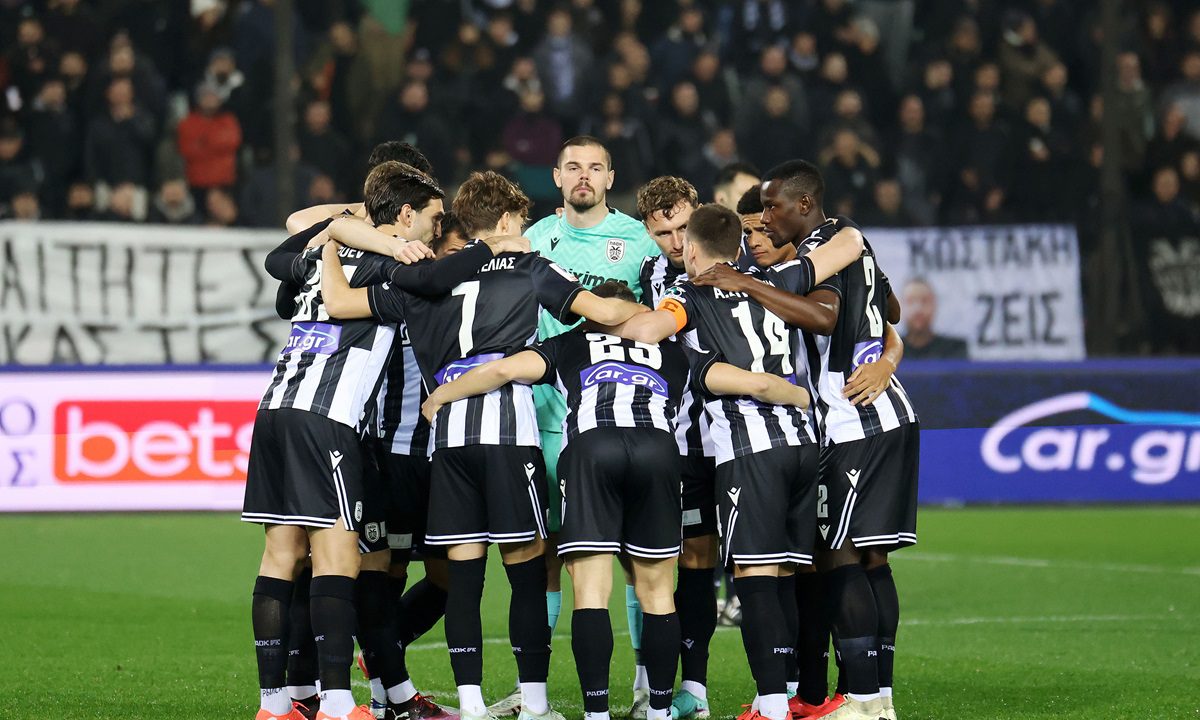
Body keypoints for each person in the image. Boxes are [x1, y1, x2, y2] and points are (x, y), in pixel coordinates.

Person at [319, 170, 648, 720]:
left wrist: (331, 240)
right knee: (526, 571)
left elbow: (339, 302)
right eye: (520, 221)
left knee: (464, 578)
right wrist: (665, 314)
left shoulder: (426, 277)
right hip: (509, 432)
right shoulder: (530, 266)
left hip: (448, 440)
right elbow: (606, 313)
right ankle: (534, 702)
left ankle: (471, 706)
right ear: (507, 220)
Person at [421, 280, 811, 720]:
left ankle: (597, 714)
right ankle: (659, 710)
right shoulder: (674, 351)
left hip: (593, 448)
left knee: (591, 591)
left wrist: (441, 395)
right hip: (657, 453)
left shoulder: (570, 343)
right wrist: (802, 396)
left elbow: (499, 371)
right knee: (658, 592)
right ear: (638, 311)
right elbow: (757, 384)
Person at [616, 204, 866, 720]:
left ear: (691, 249)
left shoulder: (689, 293)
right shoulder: (773, 278)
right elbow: (850, 244)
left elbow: (648, 332)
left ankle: (770, 706)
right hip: (803, 444)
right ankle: (792, 691)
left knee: (753, 579)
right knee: (788, 573)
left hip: (748, 450)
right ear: (737, 246)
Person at [244, 161, 474, 720]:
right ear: (405, 215)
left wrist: (337, 234)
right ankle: (339, 703)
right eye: (433, 218)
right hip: (328, 418)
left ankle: (274, 705)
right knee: (338, 558)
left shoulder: (321, 255)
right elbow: (368, 298)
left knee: (280, 555)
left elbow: (282, 256)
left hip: (274, 409)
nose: (436, 231)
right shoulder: (395, 269)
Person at [703, 160, 919, 720]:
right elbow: (891, 311)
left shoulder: (824, 246)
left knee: (838, 557)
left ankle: (864, 700)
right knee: (868, 560)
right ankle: (877, 696)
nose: (765, 222)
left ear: (803, 205)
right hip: (876, 408)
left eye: (771, 210)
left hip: (852, 417)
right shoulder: (845, 241)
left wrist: (746, 283)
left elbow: (824, 317)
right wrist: (888, 357)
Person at [515, 135, 659, 719]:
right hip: (544, 418)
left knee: (634, 556)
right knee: (544, 554)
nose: (583, 176)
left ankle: (645, 687)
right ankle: (534, 695)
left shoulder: (639, 240)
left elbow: (660, 316)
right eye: (573, 167)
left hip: (614, 417)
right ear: (556, 177)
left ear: (609, 178)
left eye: (594, 168)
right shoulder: (533, 240)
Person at [633, 176, 718, 720]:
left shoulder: (741, 261)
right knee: (690, 558)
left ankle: (789, 689)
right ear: (648, 232)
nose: (676, 242)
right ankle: (688, 687)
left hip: (746, 436)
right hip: (684, 439)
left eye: (684, 227)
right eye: (664, 232)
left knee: (769, 565)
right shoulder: (651, 274)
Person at [900, 278, 968, 360]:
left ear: (934, 306)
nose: (918, 309)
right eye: (910, 301)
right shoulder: (889, 349)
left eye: (925, 301)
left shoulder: (954, 349)